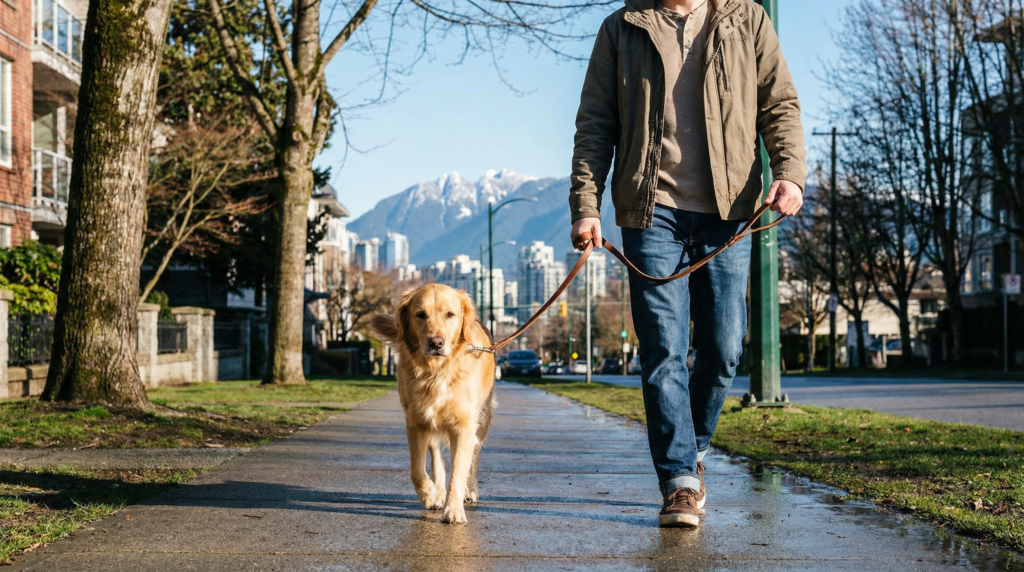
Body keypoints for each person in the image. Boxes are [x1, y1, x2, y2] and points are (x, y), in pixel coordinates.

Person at [569, 0, 806, 527]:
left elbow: (780, 104)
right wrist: (587, 207)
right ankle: (679, 480)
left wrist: (789, 172)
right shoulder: (622, 28)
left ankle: (691, 446)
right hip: (650, 212)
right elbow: (595, 125)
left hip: (729, 209)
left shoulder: (747, 20)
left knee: (723, 348)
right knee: (663, 350)